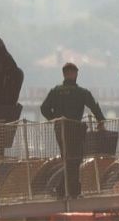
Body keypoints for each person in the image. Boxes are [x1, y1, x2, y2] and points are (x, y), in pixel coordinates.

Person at [40, 62, 105, 198]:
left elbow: (44, 108)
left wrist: (55, 119)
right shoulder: (81, 92)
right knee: (75, 159)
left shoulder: (55, 91)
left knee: (68, 159)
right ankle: (69, 191)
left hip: (60, 129)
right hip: (75, 129)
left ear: (64, 74)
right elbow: (94, 106)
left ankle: (65, 190)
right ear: (74, 74)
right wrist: (101, 121)